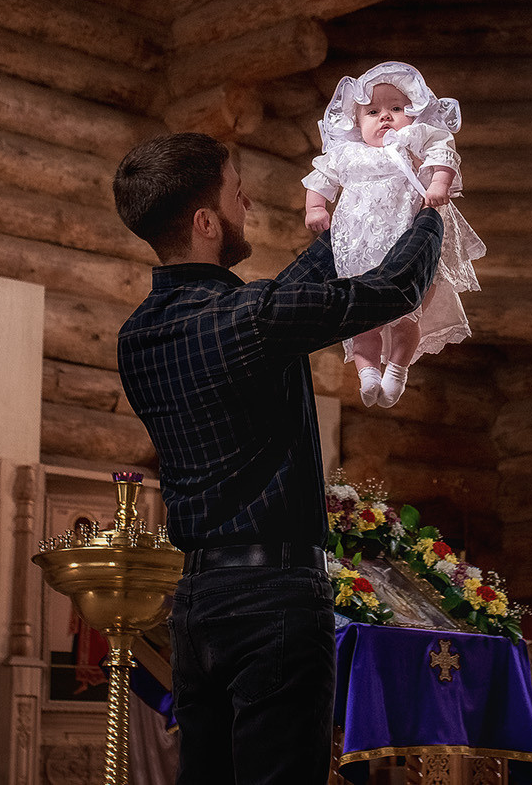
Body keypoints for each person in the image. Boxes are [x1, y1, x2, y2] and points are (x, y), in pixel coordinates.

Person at [114, 132, 443, 785]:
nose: (249, 207)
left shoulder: (138, 336)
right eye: (237, 195)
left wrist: (344, 223)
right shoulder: (249, 319)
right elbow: (398, 286)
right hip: (275, 601)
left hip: (198, 605)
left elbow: (280, 302)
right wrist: (431, 208)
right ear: (207, 222)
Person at [301, 62, 485, 408]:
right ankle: (368, 374)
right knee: (361, 319)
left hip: (409, 242)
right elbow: (321, 177)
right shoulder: (346, 152)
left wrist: (438, 184)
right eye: (373, 111)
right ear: (357, 122)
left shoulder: (413, 139)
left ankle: (397, 371)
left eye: (396, 109)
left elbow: (443, 153)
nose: (385, 117)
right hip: (360, 249)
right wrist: (316, 208)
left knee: (407, 313)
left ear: (413, 114)